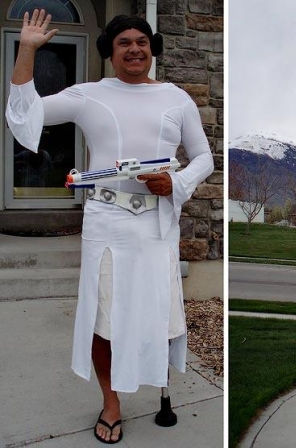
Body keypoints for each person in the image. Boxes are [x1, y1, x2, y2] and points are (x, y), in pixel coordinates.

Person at [5, 10, 214, 444]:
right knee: (106, 318)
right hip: (107, 225)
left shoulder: (177, 98)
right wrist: (26, 49)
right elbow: (26, 117)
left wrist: (175, 181)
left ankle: (156, 378)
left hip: (157, 228)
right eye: (124, 42)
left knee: (156, 315)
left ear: (151, 47)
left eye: (142, 41)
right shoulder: (89, 94)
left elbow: (204, 158)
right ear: (110, 51)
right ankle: (112, 402)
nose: (135, 48)